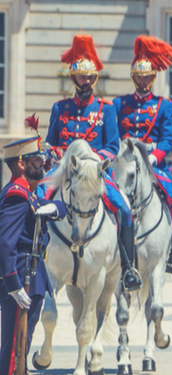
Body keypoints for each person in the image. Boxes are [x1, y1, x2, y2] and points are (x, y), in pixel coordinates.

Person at [45, 34, 142, 291]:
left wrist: (95, 162)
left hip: (95, 172)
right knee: (39, 200)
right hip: (63, 171)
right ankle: (32, 257)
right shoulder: (60, 108)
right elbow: (50, 142)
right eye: (81, 77)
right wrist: (54, 153)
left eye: (89, 77)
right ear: (73, 78)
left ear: (95, 78)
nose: (85, 81)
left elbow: (112, 146)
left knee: (123, 208)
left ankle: (129, 268)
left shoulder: (106, 109)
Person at [113, 35, 172, 278]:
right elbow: (113, 135)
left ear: (153, 77)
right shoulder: (119, 104)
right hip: (124, 165)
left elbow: (168, 140)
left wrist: (154, 158)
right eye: (139, 76)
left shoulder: (164, 106)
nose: (143, 80)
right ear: (133, 76)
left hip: (153, 167)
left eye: (147, 76)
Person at [0, 123, 67, 373]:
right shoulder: (17, 195)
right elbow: (5, 243)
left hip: (33, 276)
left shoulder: (29, 193)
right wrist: (13, 285)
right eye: (36, 161)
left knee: (23, 346)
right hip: (22, 278)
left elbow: (60, 208)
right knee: (15, 348)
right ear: (20, 164)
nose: (43, 165)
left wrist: (55, 208)